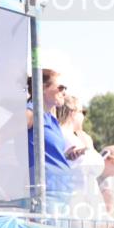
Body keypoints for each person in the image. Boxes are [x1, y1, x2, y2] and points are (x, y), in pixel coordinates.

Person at [26, 69, 79, 214]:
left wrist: (65, 156)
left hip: (60, 195)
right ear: (42, 87)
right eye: (61, 87)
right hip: (45, 196)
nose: (64, 92)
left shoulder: (51, 119)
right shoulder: (31, 112)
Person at [57, 94, 108, 222]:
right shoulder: (68, 137)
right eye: (82, 112)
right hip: (78, 208)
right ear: (73, 112)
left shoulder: (62, 134)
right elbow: (96, 167)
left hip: (78, 206)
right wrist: (89, 146)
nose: (84, 117)